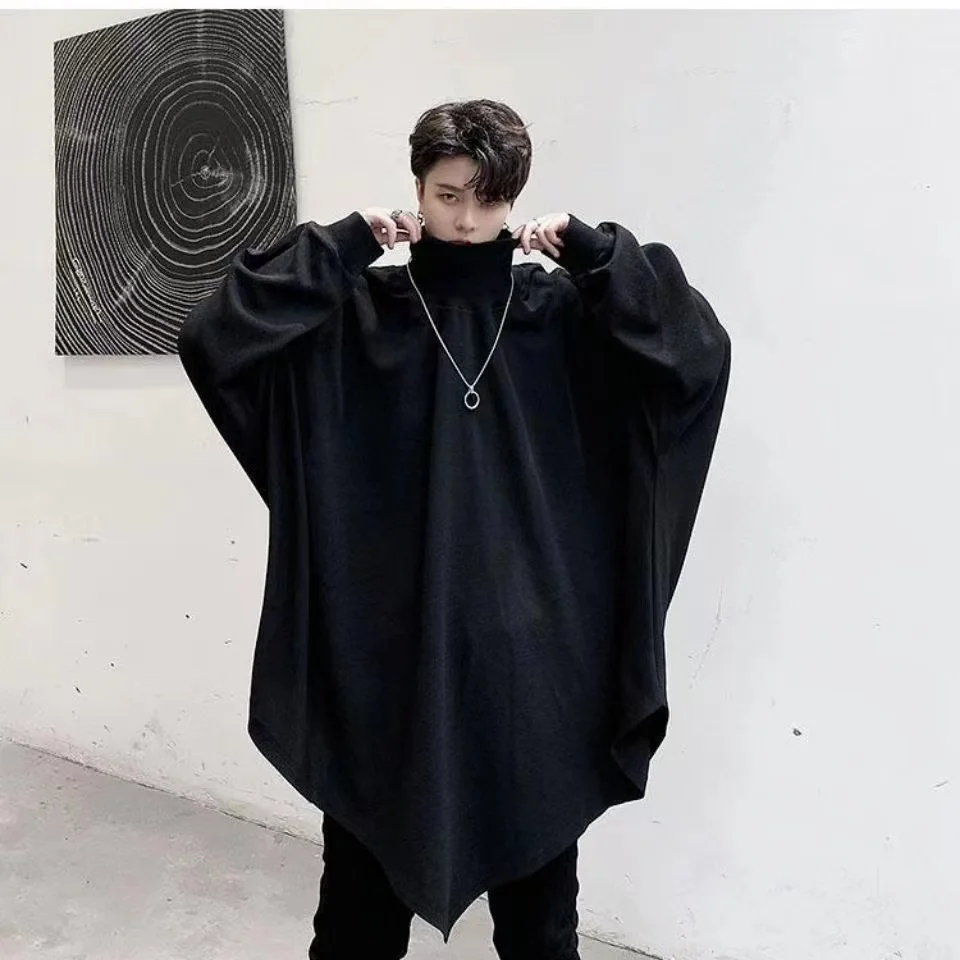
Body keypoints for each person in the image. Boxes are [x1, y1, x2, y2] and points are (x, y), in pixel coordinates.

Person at [177, 99, 731, 960]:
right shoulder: (360, 316)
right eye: (447, 195)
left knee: (541, 932)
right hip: (385, 668)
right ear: (417, 189)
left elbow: (694, 356)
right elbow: (214, 337)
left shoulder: (560, 317)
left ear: (516, 199)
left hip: (533, 674)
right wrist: (342, 245)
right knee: (355, 927)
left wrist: (598, 258)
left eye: (489, 199)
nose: (468, 221)